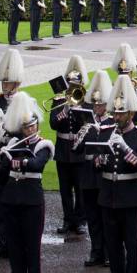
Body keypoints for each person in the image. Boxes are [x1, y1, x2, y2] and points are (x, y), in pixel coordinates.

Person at [97, 75, 137, 273]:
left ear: (130, 113)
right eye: (115, 113)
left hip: (130, 196)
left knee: (132, 246)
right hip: (108, 195)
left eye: (121, 113)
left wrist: (127, 150)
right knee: (113, 246)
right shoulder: (105, 132)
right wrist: (98, 161)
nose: (117, 117)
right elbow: (95, 162)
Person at [0, 92, 53, 273]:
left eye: (32, 127)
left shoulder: (44, 145)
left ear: (37, 126)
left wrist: (18, 161)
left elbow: (37, 164)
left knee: (32, 243)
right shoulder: (14, 142)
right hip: (12, 197)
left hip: (32, 198)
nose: (29, 130)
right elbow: (1, 170)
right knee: (14, 242)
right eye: (26, 128)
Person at [0, 49, 24, 262]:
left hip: (14, 159)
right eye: (3, 82)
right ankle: (3, 242)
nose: (4, 85)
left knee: (15, 205)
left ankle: (16, 243)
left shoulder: (24, 101)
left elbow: (27, 131)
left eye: (7, 82)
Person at [76, 71, 114, 268]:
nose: (98, 107)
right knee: (92, 216)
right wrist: (83, 133)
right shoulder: (88, 122)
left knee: (105, 216)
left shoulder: (113, 122)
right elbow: (78, 149)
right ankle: (96, 251)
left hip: (104, 173)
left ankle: (108, 252)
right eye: (96, 104)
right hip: (88, 173)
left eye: (101, 104)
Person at [50, 56, 88, 238]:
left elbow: (89, 124)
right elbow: (53, 124)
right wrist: (65, 109)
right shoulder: (59, 101)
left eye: (76, 84)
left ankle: (80, 220)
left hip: (79, 149)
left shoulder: (85, 101)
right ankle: (67, 220)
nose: (73, 88)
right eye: (71, 84)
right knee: (65, 189)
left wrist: (78, 107)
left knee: (80, 188)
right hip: (63, 149)